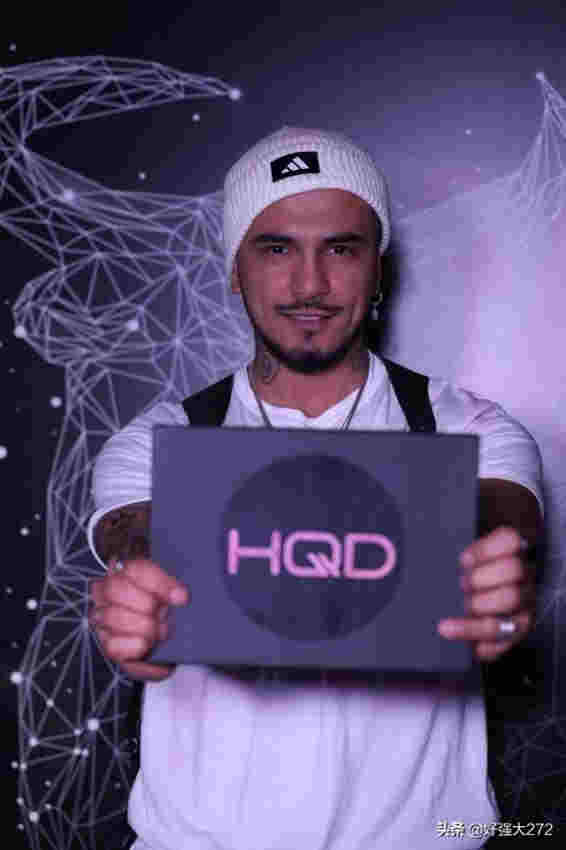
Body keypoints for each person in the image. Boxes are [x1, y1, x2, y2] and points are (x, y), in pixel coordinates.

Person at [88, 127, 543, 849]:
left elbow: (500, 519)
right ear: (234, 268)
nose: (309, 285)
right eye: (276, 249)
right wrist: (137, 586)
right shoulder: (159, 440)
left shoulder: (469, 428)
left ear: (379, 268)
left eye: (341, 248)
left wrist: (496, 571)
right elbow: (135, 534)